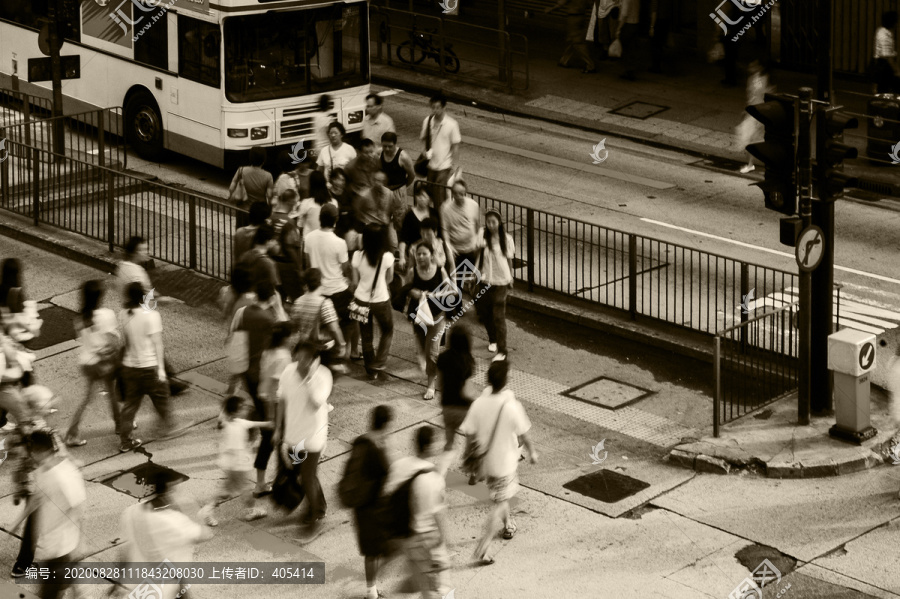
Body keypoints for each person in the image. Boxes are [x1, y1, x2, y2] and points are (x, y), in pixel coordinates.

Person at [460, 360, 538, 564]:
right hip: (504, 463)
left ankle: (508, 525)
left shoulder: (478, 403)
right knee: (500, 501)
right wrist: (532, 453)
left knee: (500, 497)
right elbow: (525, 435)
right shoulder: (511, 406)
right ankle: (484, 546)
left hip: (486, 463)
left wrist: (470, 457)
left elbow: (468, 433)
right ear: (506, 380)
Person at [118, 470, 213, 599]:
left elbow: (124, 550)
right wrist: (190, 507)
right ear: (169, 491)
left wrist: (119, 578)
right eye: (177, 488)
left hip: (137, 584)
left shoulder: (131, 512)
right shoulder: (174, 522)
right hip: (162, 589)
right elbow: (206, 534)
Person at [14, 430, 86, 599]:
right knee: (65, 584)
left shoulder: (63, 475)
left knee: (50, 592)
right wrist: (17, 523)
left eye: (32, 452)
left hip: (61, 548)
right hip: (51, 546)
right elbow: (37, 498)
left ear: (40, 451)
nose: (30, 456)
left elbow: (79, 508)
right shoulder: (41, 471)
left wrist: (80, 545)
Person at [383, 426, 451, 599]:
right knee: (434, 585)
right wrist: (445, 542)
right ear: (429, 447)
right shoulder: (434, 479)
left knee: (420, 575)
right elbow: (438, 515)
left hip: (404, 534)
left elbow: (387, 494)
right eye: (436, 441)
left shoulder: (399, 466)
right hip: (425, 537)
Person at [274, 342, 333, 541]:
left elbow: (317, 403)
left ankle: (312, 517)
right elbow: (281, 399)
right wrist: (278, 428)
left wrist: (309, 379)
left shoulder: (323, 376)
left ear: (316, 359)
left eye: (309, 357)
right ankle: (321, 505)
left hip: (314, 438)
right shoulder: (288, 372)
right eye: (300, 356)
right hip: (293, 437)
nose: (303, 361)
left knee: (307, 477)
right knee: (302, 473)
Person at [117, 282, 179, 452]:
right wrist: (161, 370)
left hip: (130, 367)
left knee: (130, 406)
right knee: (162, 398)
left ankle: (125, 441)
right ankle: (168, 427)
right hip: (149, 366)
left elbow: (125, 342)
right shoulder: (151, 315)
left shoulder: (123, 314)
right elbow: (157, 344)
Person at [200, 395, 273, 526]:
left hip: (232, 465)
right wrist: (241, 468)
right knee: (244, 490)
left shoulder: (237, 422)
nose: (246, 409)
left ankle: (207, 510)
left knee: (226, 491)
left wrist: (270, 423)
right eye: (242, 407)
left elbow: (256, 423)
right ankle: (250, 511)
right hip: (235, 466)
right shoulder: (234, 429)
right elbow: (236, 452)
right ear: (234, 412)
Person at [64, 280, 121, 447]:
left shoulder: (80, 317)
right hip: (104, 361)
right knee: (112, 393)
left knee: (88, 399)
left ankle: (72, 433)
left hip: (87, 363)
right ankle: (119, 425)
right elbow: (113, 339)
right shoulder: (106, 314)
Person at [347, 405, 394, 599]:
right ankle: (371, 591)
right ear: (386, 424)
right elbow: (388, 478)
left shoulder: (360, 441)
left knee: (370, 550)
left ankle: (371, 590)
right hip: (373, 506)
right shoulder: (378, 449)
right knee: (379, 549)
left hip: (359, 503)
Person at [305, 204, 359, 360]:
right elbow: (345, 268)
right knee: (352, 318)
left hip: (317, 291)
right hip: (338, 291)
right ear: (335, 221)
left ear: (320, 219)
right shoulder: (339, 243)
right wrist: (351, 282)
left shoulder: (308, 238)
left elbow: (308, 265)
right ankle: (347, 348)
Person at [407, 242, 453, 400]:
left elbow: (450, 289)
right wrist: (416, 293)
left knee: (432, 353)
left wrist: (436, 295)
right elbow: (408, 288)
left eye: (424, 253)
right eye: (418, 254)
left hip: (437, 317)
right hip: (419, 317)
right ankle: (430, 368)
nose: (420, 257)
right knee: (422, 347)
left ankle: (430, 386)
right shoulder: (413, 271)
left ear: (432, 255)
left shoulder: (440, 270)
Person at [351, 225, 395, 380]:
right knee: (387, 329)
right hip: (381, 300)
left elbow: (355, 281)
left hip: (361, 300)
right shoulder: (387, 257)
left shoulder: (357, 256)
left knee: (366, 335)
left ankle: (371, 371)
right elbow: (390, 278)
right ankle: (380, 361)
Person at [474, 209, 515, 359]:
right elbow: (478, 253)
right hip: (485, 279)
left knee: (498, 314)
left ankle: (502, 350)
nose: (490, 225)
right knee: (485, 312)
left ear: (499, 222)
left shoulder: (507, 239)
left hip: (501, 281)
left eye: (493, 222)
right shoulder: (482, 234)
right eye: (488, 221)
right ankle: (492, 339)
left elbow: (509, 259)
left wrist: (511, 277)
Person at [291, 268, 347, 371]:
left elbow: (294, 327)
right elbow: (334, 328)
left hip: (305, 347)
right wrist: (342, 344)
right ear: (320, 282)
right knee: (323, 377)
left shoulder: (298, 302)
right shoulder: (324, 303)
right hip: (321, 349)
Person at [436, 325, 475, 455]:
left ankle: (443, 467)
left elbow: (439, 383)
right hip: (464, 409)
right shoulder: (468, 361)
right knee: (471, 439)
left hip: (447, 406)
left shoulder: (442, 358)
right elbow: (467, 391)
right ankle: (472, 471)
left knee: (449, 442)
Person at [420, 94, 461, 211]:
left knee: (440, 198)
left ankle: (440, 222)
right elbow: (423, 138)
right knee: (429, 195)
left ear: (444, 107)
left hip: (444, 166)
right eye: (433, 107)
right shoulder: (427, 121)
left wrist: (454, 165)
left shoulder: (452, 124)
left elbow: (455, 146)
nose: (435, 110)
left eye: (437, 107)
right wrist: (423, 151)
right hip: (430, 165)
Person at [441, 180, 481, 287]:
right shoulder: (446, 208)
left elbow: (478, 225)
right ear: (452, 193)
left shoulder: (474, 205)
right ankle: (457, 302)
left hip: (471, 250)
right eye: (456, 193)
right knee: (456, 283)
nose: (458, 196)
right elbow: (445, 231)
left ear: (465, 193)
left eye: (461, 194)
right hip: (456, 252)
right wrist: (449, 246)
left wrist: (478, 242)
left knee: (475, 281)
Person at [736, 60, 772, 174]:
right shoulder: (755, 78)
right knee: (753, 140)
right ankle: (753, 164)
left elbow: (757, 96)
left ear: (759, 67)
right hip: (755, 112)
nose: (750, 67)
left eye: (753, 65)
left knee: (752, 139)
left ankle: (752, 164)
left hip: (757, 113)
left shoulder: (759, 80)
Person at [269, 189, 304, 302]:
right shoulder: (290, 223)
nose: (295, 205)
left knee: (275, 296)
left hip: (271, 263)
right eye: (295, 202)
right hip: (286, 267)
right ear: (290, 202)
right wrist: (298, 268)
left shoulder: (271, 218)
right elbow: (291, 248)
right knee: (297, 297)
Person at [399, 182, 440, 273]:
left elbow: (439, 234)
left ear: (429, 199)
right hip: (415, 252)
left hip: (433, 250)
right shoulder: (409, 215)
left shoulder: (434, 213)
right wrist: (402, 257)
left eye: (424, 197)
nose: (422, 199)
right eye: (419, 196)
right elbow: (403, 238)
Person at [230, 146, 275, 227]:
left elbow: (231, 188)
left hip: (242, 210)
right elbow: (269, 196)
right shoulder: (268, 176)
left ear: (250, 158)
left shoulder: (241, 170)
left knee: (242, 232)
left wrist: (233, 195)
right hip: (259, 213)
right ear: (264, 160)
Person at [547, 0, 596, 73]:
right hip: (582, 17)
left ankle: (590, 65)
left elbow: (561, 3)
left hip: (574, 18)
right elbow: (589, 4)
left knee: (577, 42)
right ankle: (564, 60)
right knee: (572, 40)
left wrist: (551, 9)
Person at [380, 131, 416, 226]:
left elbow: (412, 175)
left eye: (390, 146)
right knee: (383, 220)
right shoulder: (379, 153)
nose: (387, 149)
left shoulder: (403, 157)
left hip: (399, 192)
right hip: (385, 191)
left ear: (395, 144)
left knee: (400, 221)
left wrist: (403, 187)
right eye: (384, 146)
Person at [238, 224, 282, 295]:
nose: (275, 242)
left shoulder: (244, 256)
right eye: (273, 240)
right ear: (268, 241)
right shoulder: (269, 264)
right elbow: (273, 289)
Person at [298, 170, 340, 243]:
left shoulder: (306, 203)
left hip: (309, 242)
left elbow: (300, 225)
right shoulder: (334, 203)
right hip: (328, 241)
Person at [234, 202, 272, 267]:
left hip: (240, 267)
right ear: (265, 219)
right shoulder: (261, 235)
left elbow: (236, 253)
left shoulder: (239, 231)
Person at [874, 11, 900, 93]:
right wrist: (896, 70)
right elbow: (888, 56)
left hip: (881, 64)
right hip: (884, 66)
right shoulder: (885, 36)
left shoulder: (880, 31)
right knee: (887, 89)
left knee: (883, 89)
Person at [615, 0, 641, 80]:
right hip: (635, 24)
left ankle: (628, 71)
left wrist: (619, 28)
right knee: (632, 48)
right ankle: (631, 70)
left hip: (627, 25)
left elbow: (624, 14)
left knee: (626, 49)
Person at [649, 0, 673, 73]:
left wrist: (652, 26)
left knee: (655, 45)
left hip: (658, 22)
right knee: (660, 44)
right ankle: (659, 65)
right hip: (665, 21)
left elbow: (654, 11)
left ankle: (656, 66)